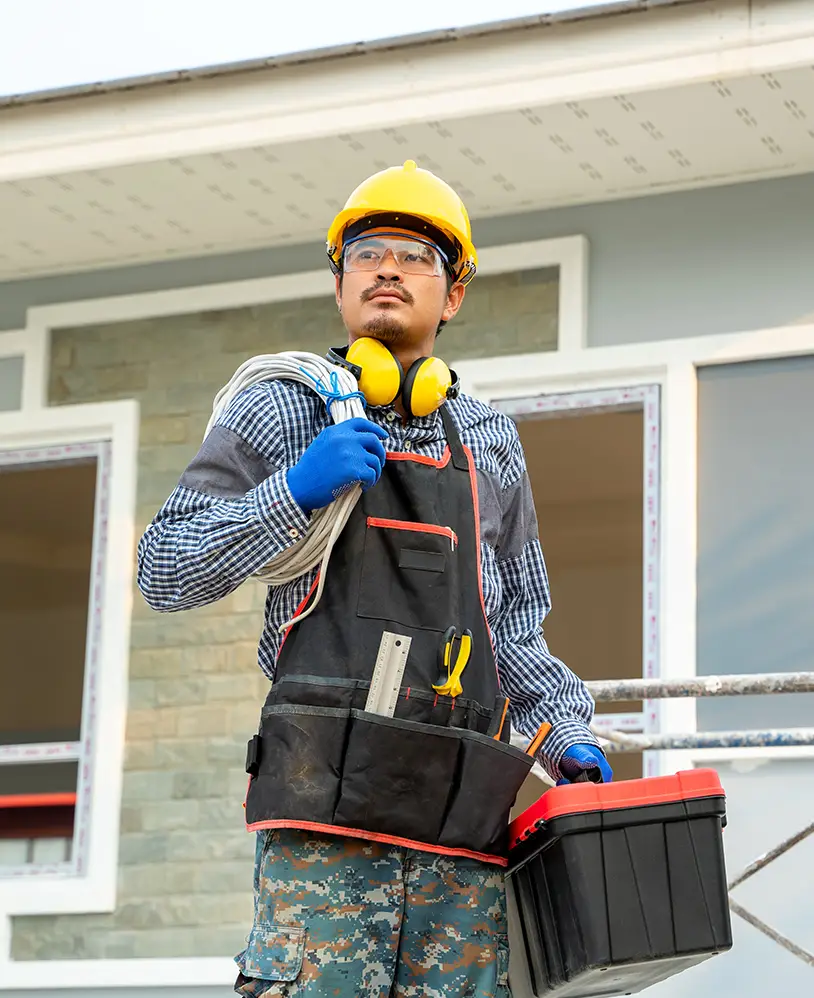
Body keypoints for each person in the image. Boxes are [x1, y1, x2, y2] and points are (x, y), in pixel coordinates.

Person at [137, 160, 612, 998]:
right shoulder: (282, 408)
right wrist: (295, 490)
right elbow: (165, 568)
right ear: (339, 284)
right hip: (324, 834)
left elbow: (512, 629)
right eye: (367, 252)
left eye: (416, 256)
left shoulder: (490, 441)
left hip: (459, 848)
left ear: (453, 294)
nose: (388, 268)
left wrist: (564, 731)